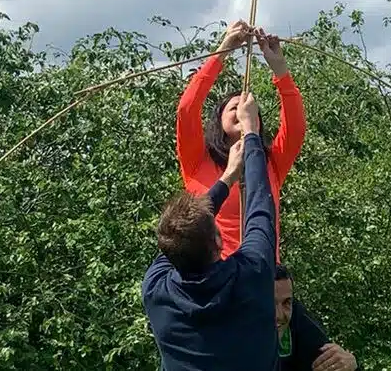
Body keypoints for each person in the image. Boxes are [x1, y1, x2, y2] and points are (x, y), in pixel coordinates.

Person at [143, 93, 279, 371]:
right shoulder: (250, 276)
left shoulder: (156, 290)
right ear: (219, 241)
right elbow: (261, 207)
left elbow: (259, 211)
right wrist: (251, 133)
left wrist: (228, 175)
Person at [204, 142, 360, 371]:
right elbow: (181, 235)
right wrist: (227, 178)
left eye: (286, 303)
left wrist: (351, 365)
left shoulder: (295, 321)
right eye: (271, 303)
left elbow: (332, 361)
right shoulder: (221, 321)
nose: (280, 314)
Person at [176, 20, 305, 260]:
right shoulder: (198, 160)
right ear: (219, 120)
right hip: (213, 273)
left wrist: (280, 69)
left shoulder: (271, 163)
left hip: (260, 273)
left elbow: (295, 127)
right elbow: (187, 109)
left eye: (249, 109)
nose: (242, 112)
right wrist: (223, 50)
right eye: (234, 108)